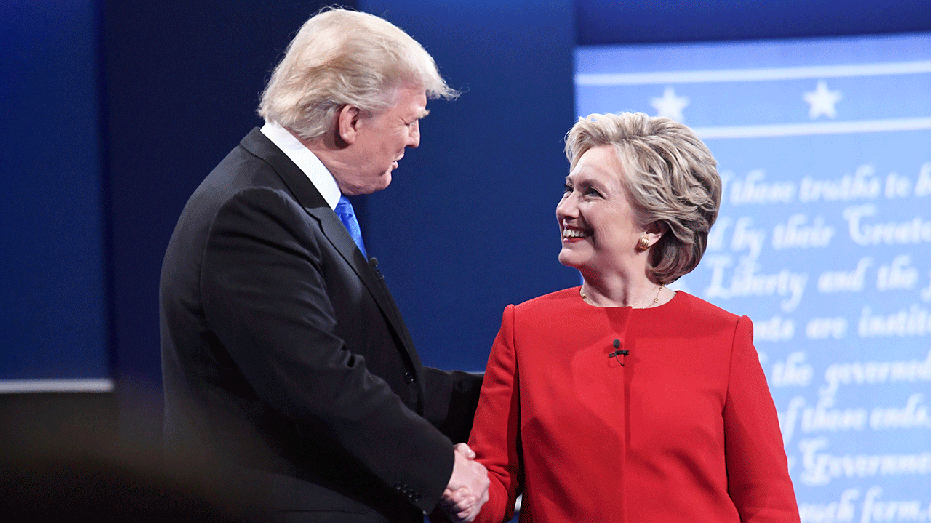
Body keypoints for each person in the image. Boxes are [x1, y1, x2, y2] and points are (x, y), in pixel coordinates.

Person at [159, 8, 489, 523]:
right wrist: (441, 467)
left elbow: (375, 375)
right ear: (351, 120)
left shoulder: (288, 197)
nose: (414, 141)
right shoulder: (253, 210)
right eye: (408, 122)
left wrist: (510, 395)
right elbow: (317, 382)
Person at [461, 113, 800, 522]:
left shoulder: (724, 336)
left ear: (653, 226)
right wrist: (466, 495)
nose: (565, 209)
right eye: (568, 189)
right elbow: (493, 482)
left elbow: (767, 503)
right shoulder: (525, 327)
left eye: (591, 193)